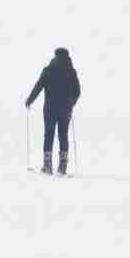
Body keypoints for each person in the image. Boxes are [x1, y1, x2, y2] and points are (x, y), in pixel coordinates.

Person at [24, 47, 82, 175]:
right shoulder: (71, 72)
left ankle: (47, 166)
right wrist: (72, 103)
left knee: (48, 135)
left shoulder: (49, 70)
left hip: (50, 109)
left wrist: (29, 101)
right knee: (63, 136)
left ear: (55, 56)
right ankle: (63, 166)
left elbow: (38, 86)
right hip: (66, 110)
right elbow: (78, 91)